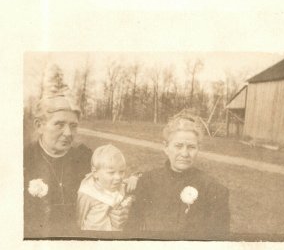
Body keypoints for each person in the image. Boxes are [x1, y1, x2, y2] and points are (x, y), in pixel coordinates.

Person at [24, 90, 133, 238]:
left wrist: (120, 213)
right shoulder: (24, 160)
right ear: (39, 125)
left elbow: (116, 185)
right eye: (59, 124)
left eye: (73, 126)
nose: (68, 133)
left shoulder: (86, 158)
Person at [126, 112, 230, 240]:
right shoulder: (147, 182)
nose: (185, 153)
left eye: (191, 147)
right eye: (178, 146)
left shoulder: (213, 190)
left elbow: (219, 240)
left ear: (199, 148)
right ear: (166, 147)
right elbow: (131, 229)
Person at [77, 144, 135, 231]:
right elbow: (79, 216)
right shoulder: (88, 192)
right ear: (95, 173)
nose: (118, 177)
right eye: (111, 173)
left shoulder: (119, 185)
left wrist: (134, 177)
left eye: (121, 172)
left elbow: (128, 188)